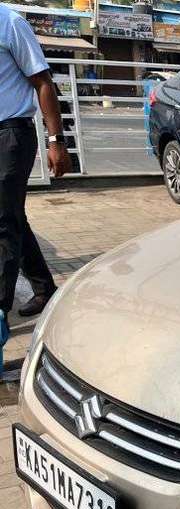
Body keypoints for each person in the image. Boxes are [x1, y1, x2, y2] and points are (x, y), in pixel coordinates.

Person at [0, 4, 69, 324]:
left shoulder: (10, 23)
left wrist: (56, 141)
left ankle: (0, 311)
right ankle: (43, 287)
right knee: (10, 215)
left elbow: (42, 81)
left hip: (12, 133)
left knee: (3, 222)